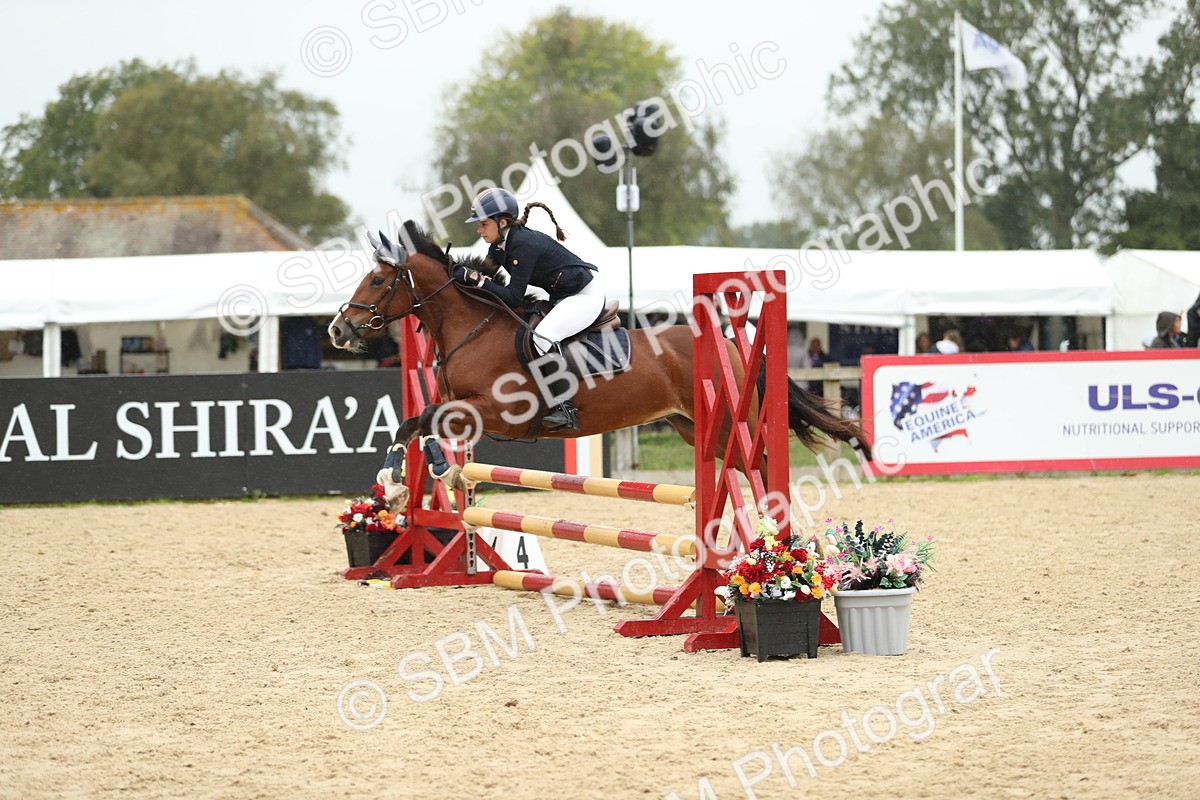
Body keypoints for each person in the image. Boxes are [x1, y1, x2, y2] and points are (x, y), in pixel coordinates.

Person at [455, 187, 604, 432]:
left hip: (585, 294)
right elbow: (485, 279)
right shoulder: (499, 246)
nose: (479, 230)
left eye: (483, 224)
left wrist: (477, 280)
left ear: (502, 222)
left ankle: (566, 408)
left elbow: (513, 296)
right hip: (562, 295)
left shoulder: (523, 245)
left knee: (542, 336)